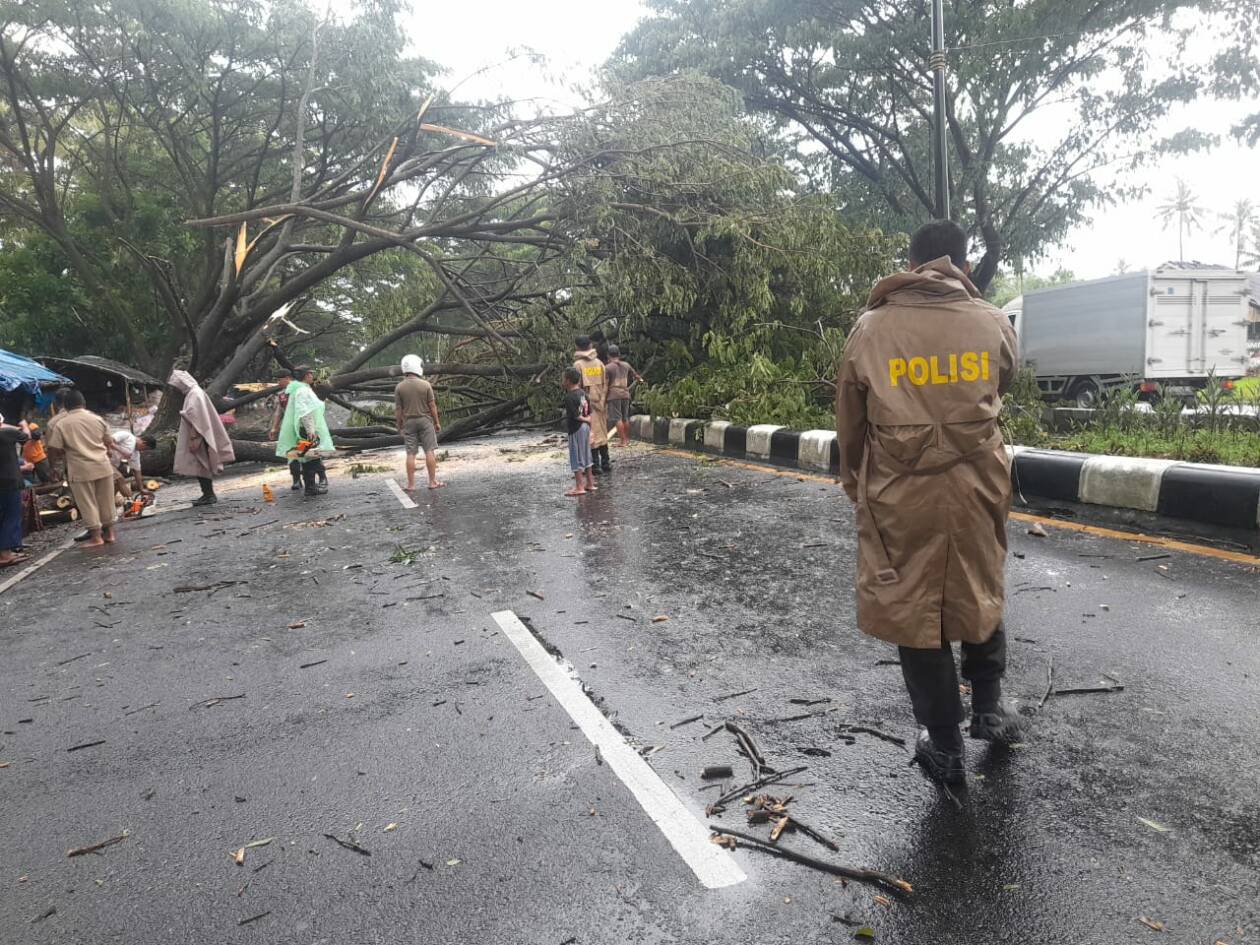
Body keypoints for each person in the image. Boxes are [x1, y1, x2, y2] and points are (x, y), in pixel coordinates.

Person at [835, 220, 1023, 786]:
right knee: (979, 586)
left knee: (915, 611)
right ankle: (989, 708)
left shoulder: (870, 329)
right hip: (978, 487)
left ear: (911, 264)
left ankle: (943, 742)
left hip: (900, 494)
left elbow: (851, 420)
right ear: (963, 264)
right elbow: (1001, 383)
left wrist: (855, 482)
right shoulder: (993, 322)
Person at [43, 390, 118, 547]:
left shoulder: (61, 424)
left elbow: (54, 448)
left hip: (79, 468)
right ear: (84, 404)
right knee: (106, 500)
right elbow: (108, 442)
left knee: (87, 502)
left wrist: (53, 466)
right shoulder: (97, 419)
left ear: (65, 406)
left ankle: (96, 537)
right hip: (103, 465)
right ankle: (110, 534)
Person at [168, 370, 236, 507]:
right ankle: (207, 493)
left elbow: (196, 419)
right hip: (201, 433)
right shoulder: (194, 393)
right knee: (201, 464)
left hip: (199, 434)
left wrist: (194, 438)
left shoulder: (194, 395)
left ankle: (209, 494)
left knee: (201, 464)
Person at [275, 367, 332, 497]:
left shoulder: (298, 389)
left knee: (306, 457)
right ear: (306, 375)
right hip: (305, 431)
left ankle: (311, 485)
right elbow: (305, 412)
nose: (312, 376)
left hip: (302, 429)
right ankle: (310, 487)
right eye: (311, 373)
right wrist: (310, 430)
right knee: (310, 458)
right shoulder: (302, 390)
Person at [394, 355, 443, 491]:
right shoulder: (426, 385)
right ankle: (432, 482)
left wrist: (399, 426)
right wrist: (436, 422)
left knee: (411, 454)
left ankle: (411, 485)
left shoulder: (399, 387)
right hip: (425, 421)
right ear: (418, 368)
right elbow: (432, 406)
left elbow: (398, 409)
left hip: (409, 422)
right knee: (429, 451)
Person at [573, 335, 611, 474]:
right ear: (590, 346)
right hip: (600, 402)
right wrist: (603, 400)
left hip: (587, 404)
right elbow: (606, 382)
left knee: (590, 434)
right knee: (602, 432)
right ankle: (606, 462)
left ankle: (595, 465)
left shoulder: (577, 365)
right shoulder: (599, 363)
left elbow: (576, 387)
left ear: (577, 347)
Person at [0, 413, 31, 566]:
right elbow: (26, 436)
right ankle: (5, 554)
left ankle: (5, 552)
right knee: (11, 516)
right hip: (9, 482)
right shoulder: (6, 433)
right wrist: (23, 424)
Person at [562, 367, 596, 497]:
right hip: (586, 427)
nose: (562, 380)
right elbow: (589, 412)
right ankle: (590, 483)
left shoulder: (569, 397)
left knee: (576, 456)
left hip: (576, 428)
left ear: (568, 381)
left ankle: (579, 486)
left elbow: (576, 415)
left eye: (563, 378)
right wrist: (589, 422)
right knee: (586, 454)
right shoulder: (583, 393)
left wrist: (584, 420)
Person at [268, 369, 303, 491]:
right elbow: (279, 412)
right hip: (289, 428)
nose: (278, 382)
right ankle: (296, 480)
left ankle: (320, 477)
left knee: (309, 453)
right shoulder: (282, 395)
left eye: (279, 380)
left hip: (303, 426)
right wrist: (274, 428)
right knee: (292, 454)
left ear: (288, 378)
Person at [604, 344, 642, 448]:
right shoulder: (626, 365)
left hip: (614, 394)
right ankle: (627, 440)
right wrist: (640, 380)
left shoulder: (607, 367)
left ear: (608, 355)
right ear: (619, 354)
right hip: (625, 394)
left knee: (617, 418)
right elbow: (637, 376)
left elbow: (606, 384)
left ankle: (623, 441)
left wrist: (603, 397)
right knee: (625, 418)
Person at [108, 428, 156, 495]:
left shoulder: (136, 454)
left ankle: (110, 501)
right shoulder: (127, 436)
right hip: (104, 459)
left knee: (115, 484)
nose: (143, 451)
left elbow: (137, 471)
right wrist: (122, 451)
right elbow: (109, 441)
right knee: (119, 478)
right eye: (145, 448)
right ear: (143, 443)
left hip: (113, 467)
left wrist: (141, 489)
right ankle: (129, 498)